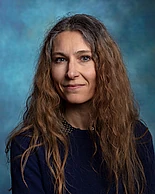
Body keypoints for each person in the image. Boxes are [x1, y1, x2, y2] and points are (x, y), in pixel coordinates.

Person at [6, 14, 155, 194]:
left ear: (105, 66)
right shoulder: (29, 145)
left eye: (84, 58)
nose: (71, 72)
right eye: (60, 59)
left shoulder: (137, 137)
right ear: (49, 70)